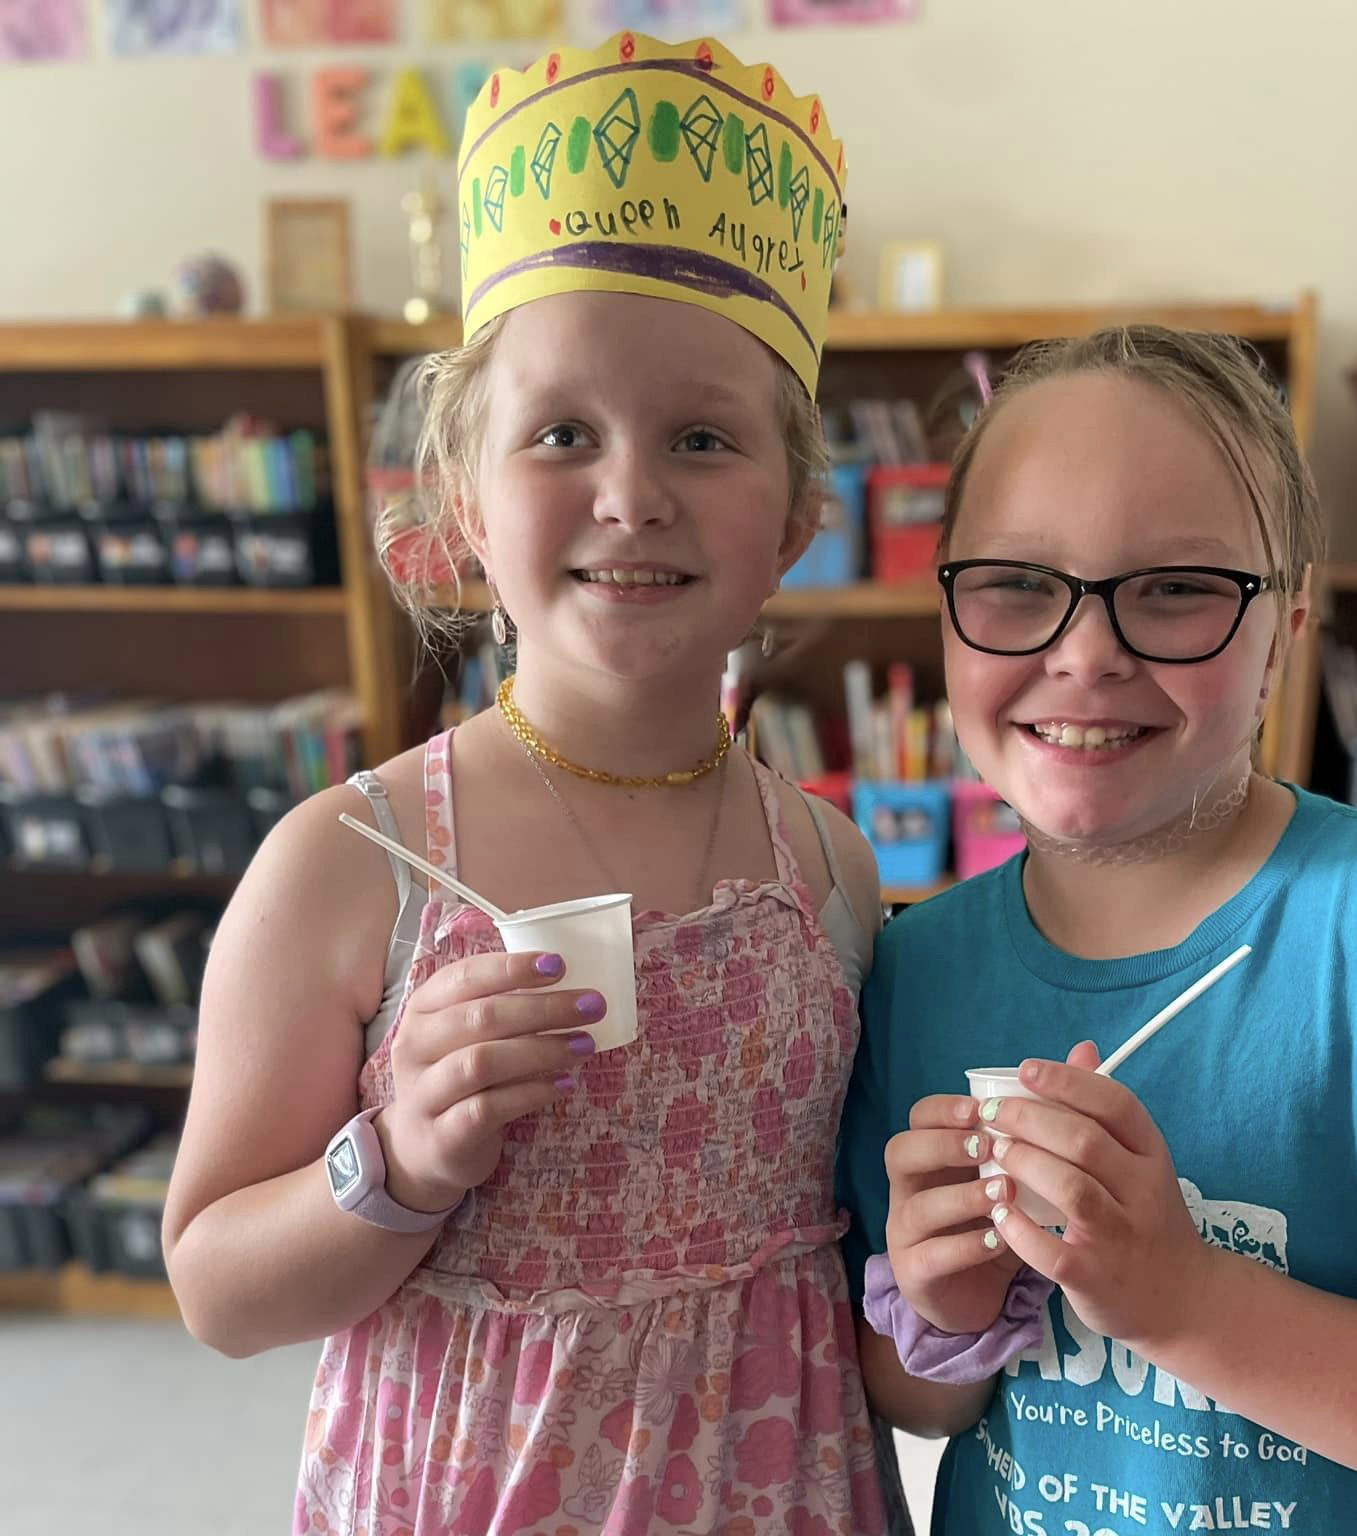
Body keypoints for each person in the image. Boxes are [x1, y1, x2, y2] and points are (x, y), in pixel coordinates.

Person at [164, 33, 892, 1534]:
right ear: (466, 497)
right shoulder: (351, 860)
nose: (632, 491)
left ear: (799, 517)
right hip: (475, 1485)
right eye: (562, 434)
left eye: (704, 436)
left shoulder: (829, 866)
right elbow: (218, 1290)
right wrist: (400, 1167)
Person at [837, 325, 1357, 1533]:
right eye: (1015, 583)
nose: (1087, 653)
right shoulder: (911, 969)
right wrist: (943, 1314)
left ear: (1289, 631)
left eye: (1178, 589)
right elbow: (916, 1402)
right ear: (946, 604)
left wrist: (1183, 1299)